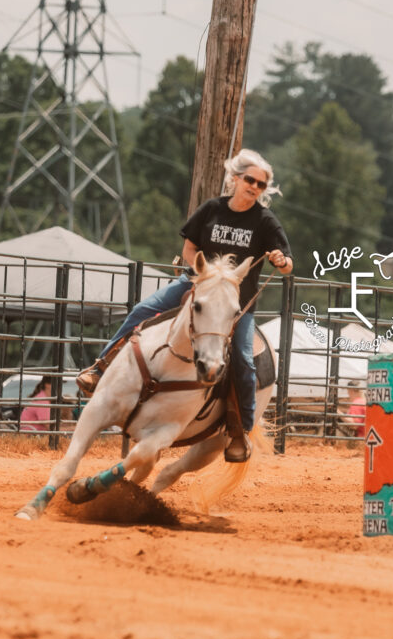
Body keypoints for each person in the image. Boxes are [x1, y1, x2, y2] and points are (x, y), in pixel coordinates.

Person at [76, 149, 293, 463]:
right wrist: (200, 271)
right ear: (235, 178)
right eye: (250, 180)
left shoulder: (265, 222)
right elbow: (190, 247)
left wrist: (281, 260)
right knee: (141, 311)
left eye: (261, 184)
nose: (254, 187)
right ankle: (100, 368)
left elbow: (287, 265)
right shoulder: (212, 209)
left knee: (244, 360)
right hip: (194, 286)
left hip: (235, 305)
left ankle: (240, 431)